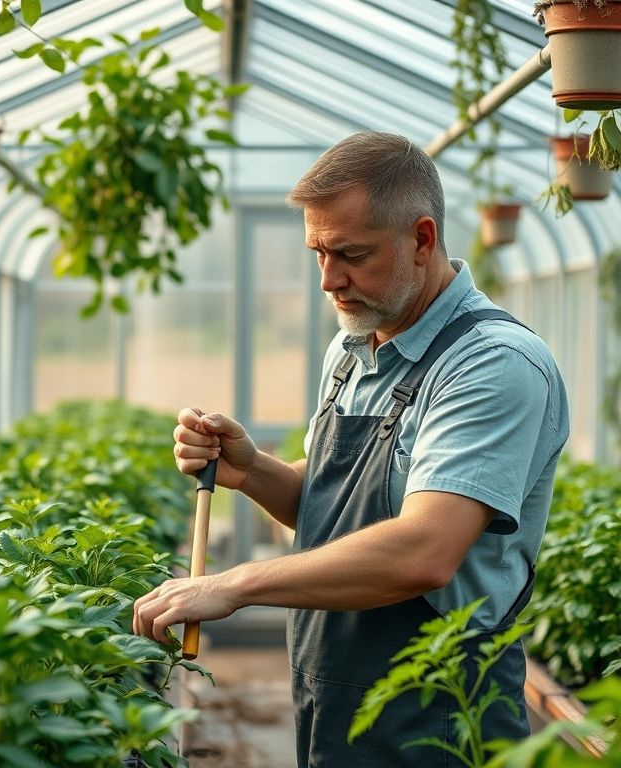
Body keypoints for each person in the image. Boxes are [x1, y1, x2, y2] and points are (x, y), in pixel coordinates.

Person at [132, 132, 570, 767]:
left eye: (352, 255)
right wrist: (253, 472)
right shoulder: (352, 347)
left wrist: (238, 584)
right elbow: (332, 507)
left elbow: (424, 551)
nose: (329, 280)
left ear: (422, 240)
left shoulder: (492, 365)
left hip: (438, 714)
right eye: (318, 253)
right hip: (332, 694)